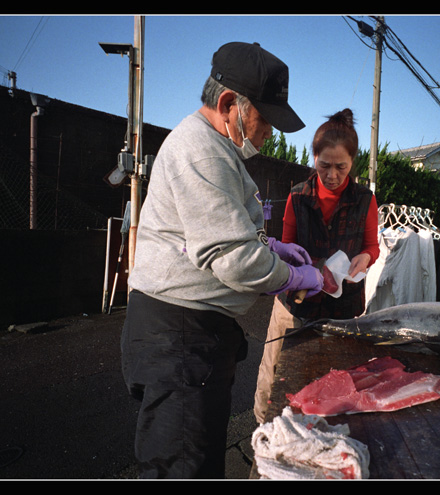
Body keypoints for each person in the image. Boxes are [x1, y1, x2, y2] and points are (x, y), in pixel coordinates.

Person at [120, 41, 323, 479]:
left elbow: (229, 235)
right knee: (183, 467)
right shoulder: (202, 150)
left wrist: (272, 248)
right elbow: (232, 258)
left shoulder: (219, 150)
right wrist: (293, 275)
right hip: (178, 333)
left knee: (200, 456)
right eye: (265, 120)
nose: (269, 133)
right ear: (230, 103)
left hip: (191, 334)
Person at [254, 108, 380, 424]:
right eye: (324, 165)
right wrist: (304, 271)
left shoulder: (365, 199)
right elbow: (285, 248)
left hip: (343, 306)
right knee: (275, 374)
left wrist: (365, 258)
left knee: (333, 382)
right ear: (314, 158)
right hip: (294, 304)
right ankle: (264, 431)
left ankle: (324, 440)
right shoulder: (298, 196)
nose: (332, 175)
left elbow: (371, 246)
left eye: (342, 167)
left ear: (354, 162)